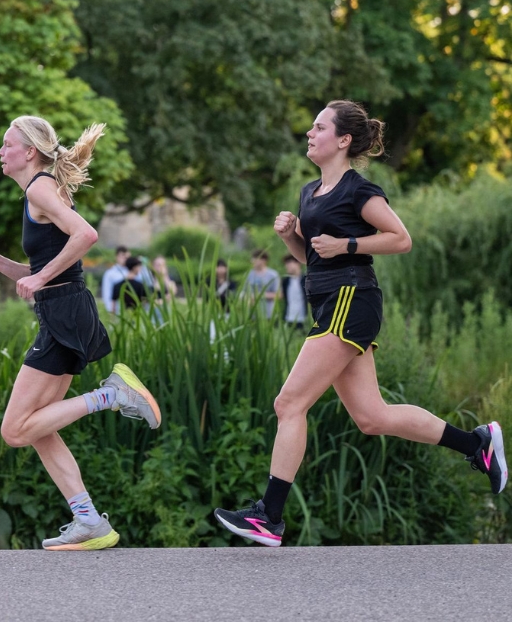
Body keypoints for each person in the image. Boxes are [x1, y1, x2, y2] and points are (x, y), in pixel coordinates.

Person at [214, 100, 507, 547]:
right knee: (371, 417)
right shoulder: (310, 193)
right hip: (329, 298)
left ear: (343, 140)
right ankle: (476, 444)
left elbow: (401, 239)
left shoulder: (359, 191)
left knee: (288, 403)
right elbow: (314, 260)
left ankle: (269, 516)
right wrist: (292, 237)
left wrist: (348, 242)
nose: (309, 134)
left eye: (318, 127)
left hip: (352, 300)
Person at [0, 115, 162, 551]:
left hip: (64, 314)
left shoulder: (39, 187)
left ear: (29, 151)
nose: (0, 152)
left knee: (15, 431)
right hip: (66, 310)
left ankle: (110, 396)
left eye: (6, 144)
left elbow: (86, 235)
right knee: (38, 429)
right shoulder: (40, 191)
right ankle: (88, 519)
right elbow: (46, 269)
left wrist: (37, 281)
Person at [242, 249, 280, 319]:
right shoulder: (248, 275)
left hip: (268, 314)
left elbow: (278, 295)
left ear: (264, 260)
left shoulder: (272, 275)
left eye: (256, 259)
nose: (253, 261)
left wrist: (259, 295)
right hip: (252, 314)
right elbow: (243, 292)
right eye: (253, 259)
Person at [281, 254, 308, 330]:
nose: (287, 266)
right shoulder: (285, 281)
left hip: (303, 318)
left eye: (289, 263)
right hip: (288, 317)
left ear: (298, 263)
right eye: (286, 264)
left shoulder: (306, 280)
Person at [100, 245, 131, 313]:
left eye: (126, 256)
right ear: (116, 257)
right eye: (122, 256)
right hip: (116, 310)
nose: (125, 258)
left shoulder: (133, 271)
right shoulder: (110, 274)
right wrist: (110, 310)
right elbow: (107, 292)